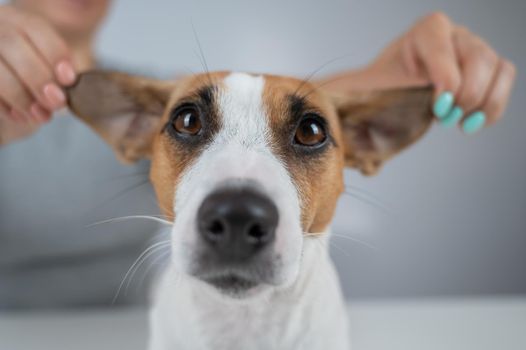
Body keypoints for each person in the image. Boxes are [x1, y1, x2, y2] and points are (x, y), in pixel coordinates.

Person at [0, 1, 516, 309]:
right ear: (130, 130)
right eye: (189, 125)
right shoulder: (159, 107)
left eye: (310, 134)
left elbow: (270, 108)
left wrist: (394, 72)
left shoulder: (171, 95)